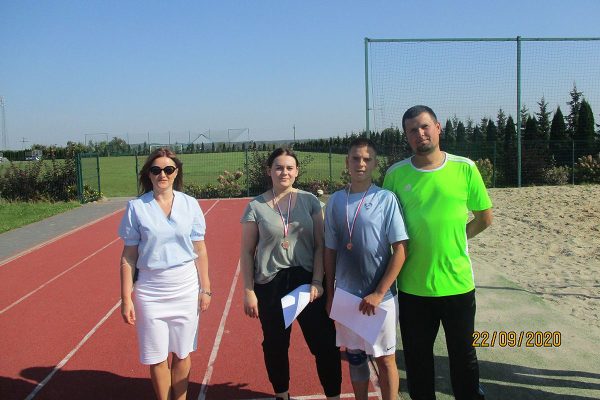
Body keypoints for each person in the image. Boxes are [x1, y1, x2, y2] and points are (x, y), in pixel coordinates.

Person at [383, 105, 493, 400]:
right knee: (417, 361)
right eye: (412, 130)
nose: (419, 133)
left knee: (464, 357)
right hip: (412, 288)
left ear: (438, 127)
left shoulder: (465, 168)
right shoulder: (395, 174)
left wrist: (457, 237)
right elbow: (387, 226)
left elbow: (485, 218)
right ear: (406, 136)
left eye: (424, 126)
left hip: (457, 284)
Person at [240, 147, 342, 400]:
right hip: (271, 284)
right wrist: (249, 291)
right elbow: (247, 252)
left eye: (289, 168)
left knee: (325, 344)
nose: (283, 172)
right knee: (275, 345)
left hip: (307, 282)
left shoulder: (310, 201)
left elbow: (320, 244)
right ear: (269, 171)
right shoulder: (256, 206)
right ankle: (282, 394)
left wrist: (318, 281)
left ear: (296, 171)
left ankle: (333, 395)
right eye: (278, 167)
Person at [118, 147, 211, 400]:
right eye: (156, 170)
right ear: (148, 174)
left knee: (182, 352)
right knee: (157, 355)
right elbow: (128, 257)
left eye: (169, 169)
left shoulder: (190, 204)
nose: (163, 175)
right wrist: (126, 298)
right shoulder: (137, 207)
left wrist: (206, 289)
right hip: (151, 290)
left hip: (185, 287)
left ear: (176, 172)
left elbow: (200, 249)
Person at [324, 137, 408, 400]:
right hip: (347, 297)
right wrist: (330, 294)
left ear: (375, 164)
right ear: (346, 162)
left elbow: (401, 250)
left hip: (380, 299)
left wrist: (379, 293)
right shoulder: (335, 201)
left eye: (367, 159)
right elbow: (329, 251)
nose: (361, 163)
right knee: (355, 357)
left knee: (385, 359)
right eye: (355, 158)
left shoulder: (385, 199)